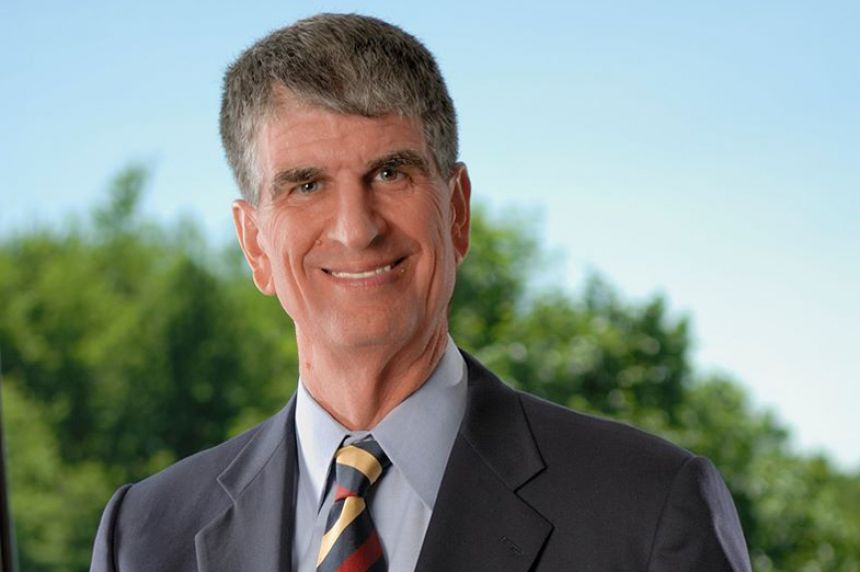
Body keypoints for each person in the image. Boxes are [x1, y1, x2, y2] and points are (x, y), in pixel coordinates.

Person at [90, 13, 752, 572]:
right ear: (255, 244)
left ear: (457, 210)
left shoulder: (649, 508)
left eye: (389, 172)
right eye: (306, 185)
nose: (356, 230)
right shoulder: (146, 537)